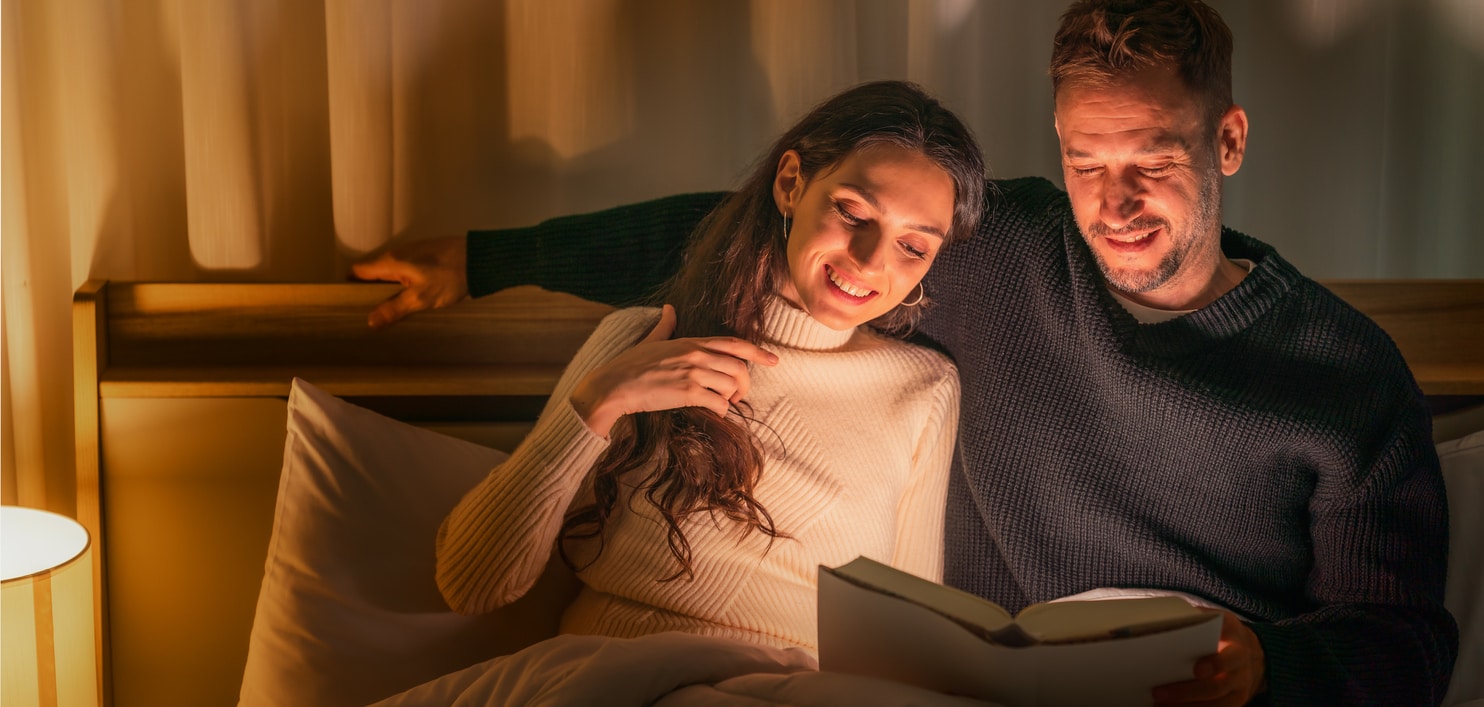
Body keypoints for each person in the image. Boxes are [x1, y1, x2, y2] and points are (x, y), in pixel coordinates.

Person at [354, 1, 1459, 704]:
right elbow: (741, 228)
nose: (1111, 202)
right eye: (1084, 160)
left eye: (1153, 161)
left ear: (1225, 142)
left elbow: (1404, 639)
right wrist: (487, 257)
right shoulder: (1002, 250)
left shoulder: (1341, 375)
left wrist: (1273, 670)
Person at [431, 80, 986, 656]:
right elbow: (470, 586)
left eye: (914, 247)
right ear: (791, 183)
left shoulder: (923, 390)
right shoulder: (641, 341)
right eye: (853, 212)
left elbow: (907, 642)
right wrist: (597, 402)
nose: (871, 261)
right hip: (605, 678)